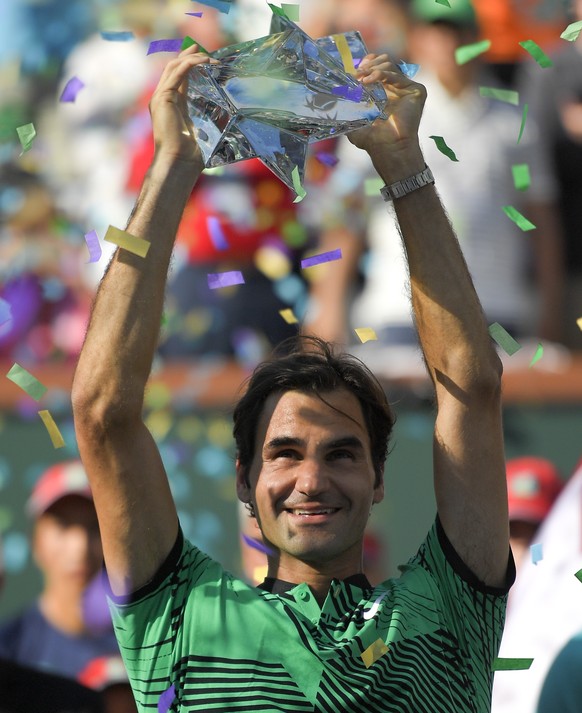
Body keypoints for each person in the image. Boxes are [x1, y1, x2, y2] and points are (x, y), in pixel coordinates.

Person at [71, 43, 513, 712]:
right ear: (245, 478)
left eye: (342, 453)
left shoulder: (447, 609)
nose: (312, 480)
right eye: (285, 452)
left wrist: (401, 163)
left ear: (379, 477)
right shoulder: (182, 615)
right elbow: (103, 410)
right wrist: (171, 168)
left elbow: (470, 385)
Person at [305, 0, 564, 357]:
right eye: (435, 31)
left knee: (494, 410)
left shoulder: (514, 121)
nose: (448, 42)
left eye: (458, 32)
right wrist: (327, 305)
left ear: (477, 39)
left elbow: (540, 220)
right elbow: (348, 214)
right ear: (416, 38)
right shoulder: (385, 110)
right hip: (399, 313)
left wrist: (551, 307)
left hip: (500, 314)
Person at [0, 460, 119, 679]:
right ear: (35, 541)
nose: (80, 547)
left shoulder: (139, 650)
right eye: (63, 526)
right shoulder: (8, 646)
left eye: (95, 527)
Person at [505, 455, 563, 577]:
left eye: (535, 532)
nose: (522, 548)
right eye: (513, 531)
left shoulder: (569, 567)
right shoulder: (477, 581)